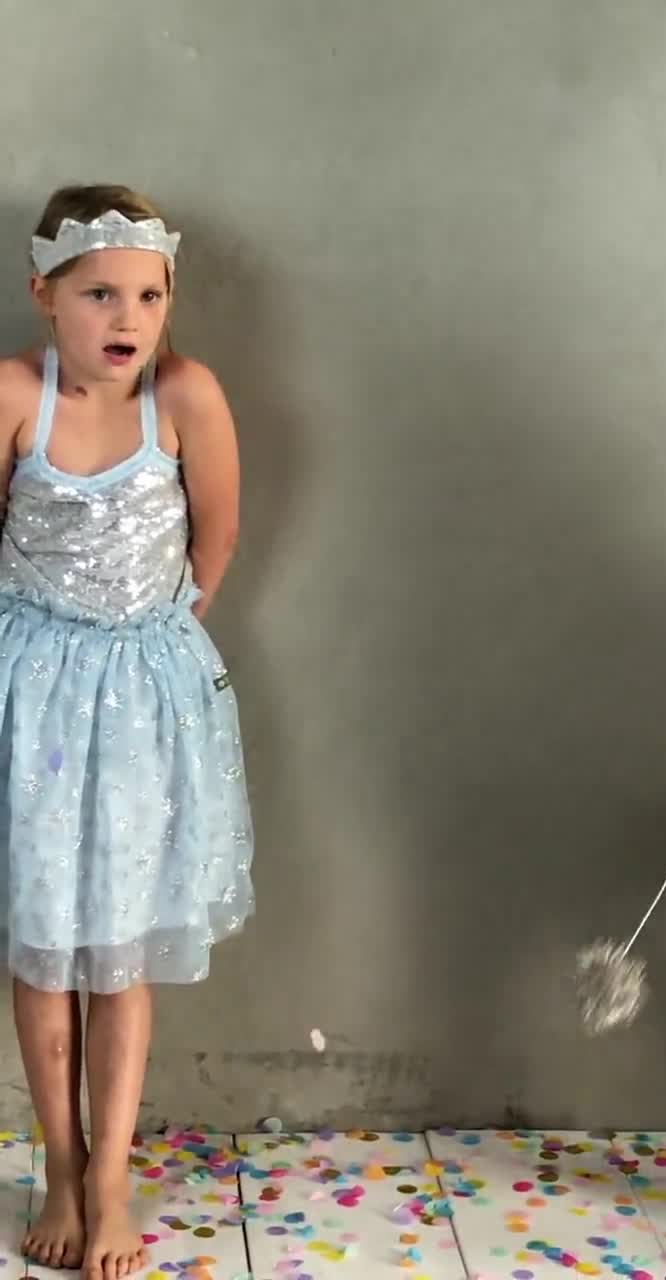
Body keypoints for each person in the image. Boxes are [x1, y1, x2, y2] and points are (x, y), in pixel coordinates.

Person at [0, 185, 254, 1279]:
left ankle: (112, 1178)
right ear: (44, 296)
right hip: (31, 690)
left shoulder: (187, 396)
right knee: (44, 941)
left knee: (118, 949)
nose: (126, 317)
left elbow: (219, 535)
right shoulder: (14, 390)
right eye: (99, 292)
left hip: (145, 697)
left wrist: (147, 649)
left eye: (147, 295)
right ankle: (61, 1162)